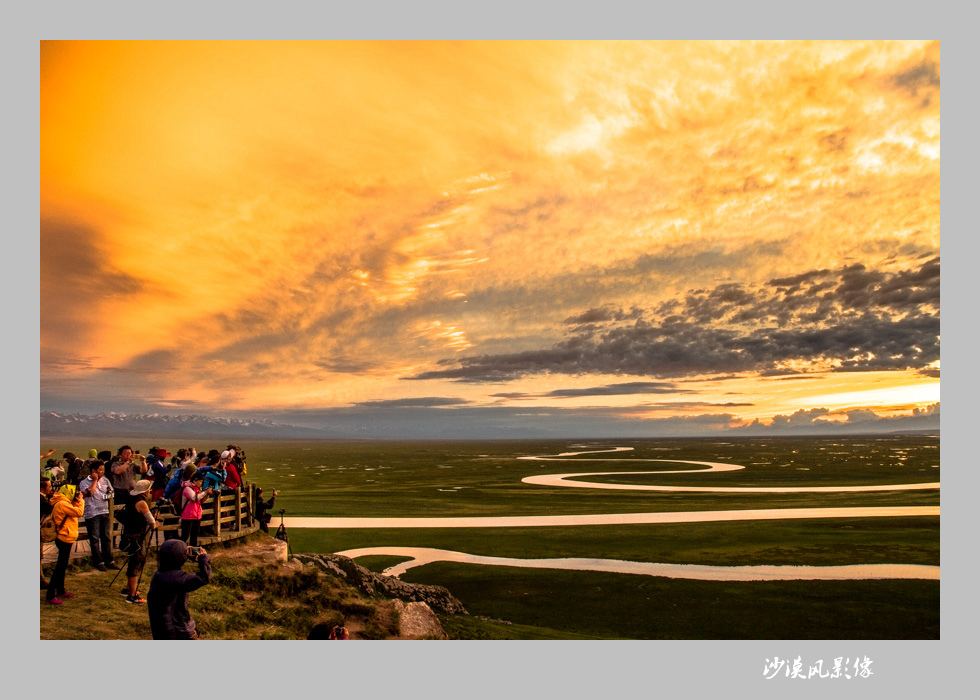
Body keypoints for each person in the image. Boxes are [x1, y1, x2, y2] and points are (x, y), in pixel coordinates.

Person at [146, 539, 212, 639]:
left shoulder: (159, 575)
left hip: (161, 629)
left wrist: (183, 551)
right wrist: (203, 559)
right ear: (179, 558)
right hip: (177, 631)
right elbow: (204, 578)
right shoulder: (175, 579)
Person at [118, 480, 159, 604]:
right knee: (136, 564)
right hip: (137, 538)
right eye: (149, 489)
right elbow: (151, 522)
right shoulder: (142, 503)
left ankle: (128, 588)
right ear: (144, 491)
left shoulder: (130, 501)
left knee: (132, 562)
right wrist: (155, 523)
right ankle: (132, 596)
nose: (150, 491)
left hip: (128, 536)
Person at [45, 485, 85, 605]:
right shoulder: (62, 504)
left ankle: (61, 590)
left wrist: (75, 501)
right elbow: (79, 512)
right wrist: (81, 500)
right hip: (64, 537)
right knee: (60, 566)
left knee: (63, 565)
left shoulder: (62, 502)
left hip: (66, 536)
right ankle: (50, 594)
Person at [79, 460, 119, 571]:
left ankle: (109, 560)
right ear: (93, 471)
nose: (102, 472)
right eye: (100, 470)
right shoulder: (84, 482)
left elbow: (112, 492)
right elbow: (90, 492)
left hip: (104, 511)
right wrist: (95, 480)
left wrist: (108, 495)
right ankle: (98, 561)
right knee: (95, 538)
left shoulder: (105, 480)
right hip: (92, 512)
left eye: (103, 470)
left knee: (106, 537)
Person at [180, 471, 214, 546]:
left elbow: (201, 501)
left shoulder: (198, 489)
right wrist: (205, 492)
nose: (201, 483)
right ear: (195, 480)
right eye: (200, 481)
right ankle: (180, 550)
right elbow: (194, 498)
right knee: (185, 536)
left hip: (197, 515)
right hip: (188, 516)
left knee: (194, 537)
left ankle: (193, 552)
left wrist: (207, 494)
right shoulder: (187, 488)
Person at [40, 477, 54, 589]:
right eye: (49, 487)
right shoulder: (41, 500)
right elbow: (48, 509)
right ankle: (40, 580)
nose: (51, 489)